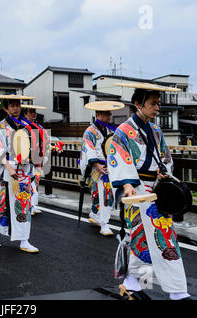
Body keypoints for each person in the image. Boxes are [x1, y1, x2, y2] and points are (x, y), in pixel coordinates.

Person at [108, 82, 190, 300]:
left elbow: (165, 160)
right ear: (138, 104)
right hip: (136, 189)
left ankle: (150, 286)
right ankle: (137, 284)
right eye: (153, 104)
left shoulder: (156, 130)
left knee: (162, 237)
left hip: (155, 190)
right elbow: (118, 160)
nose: (157, 108)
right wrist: (126, 185)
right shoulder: (123, 131)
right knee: (139, 237)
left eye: (158, 104)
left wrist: (164, 174)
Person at [0, 95, 39, 253]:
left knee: (24, 204)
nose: (16, 108)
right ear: (6, 108)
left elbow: (35, 146)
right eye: (12, 105)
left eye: (18, 105)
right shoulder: (0, 127)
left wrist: (35, 157)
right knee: (4, 203)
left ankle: (24, 240)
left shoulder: (27, 126)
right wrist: (8, 168)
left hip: (25, 169)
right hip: (8, 168)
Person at [79, 101, 125, 236]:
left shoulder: (111, 129)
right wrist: (96, 164)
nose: (109, 116)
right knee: (104, 194)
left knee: (102, 194)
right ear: (98, 115)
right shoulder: (90, 131)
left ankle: (95, 215)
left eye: (109, 113)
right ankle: (104, 224)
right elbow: (87, 148)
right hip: (97, 166)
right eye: (106, 114)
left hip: (110, 165)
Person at [20, 105, 50, 215]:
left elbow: (46, 139)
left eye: (35, 112)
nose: (34, 114)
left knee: (36, 182)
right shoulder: (22, 126)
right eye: (31, 112)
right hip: (27, 159)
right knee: (28, 182)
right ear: (25, 114)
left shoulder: (38, 126)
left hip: (38, 157)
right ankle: (28, 205)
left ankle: (33, 204)